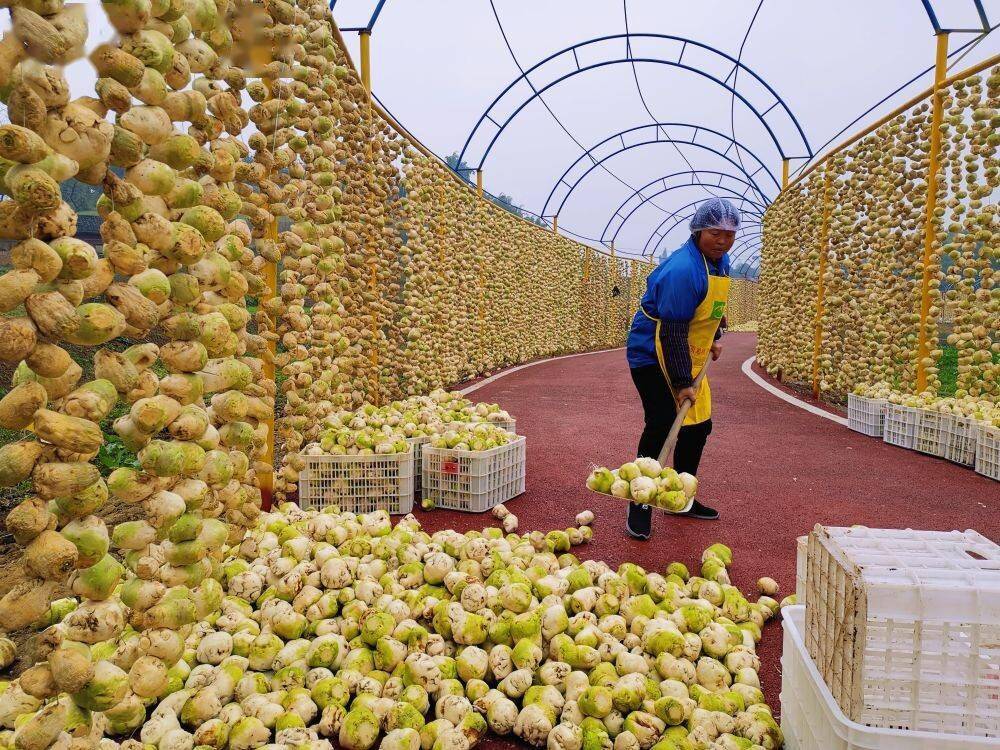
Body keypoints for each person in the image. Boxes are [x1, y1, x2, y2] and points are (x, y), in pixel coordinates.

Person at [623, 197, 738, 540]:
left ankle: (681, 497)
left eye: (729, 234)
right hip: (652, 353)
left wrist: (714, 335)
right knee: (662, 422)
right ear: (698, 231)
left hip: (687, 352)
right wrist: (681, 382)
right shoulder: (683, 270)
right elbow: (672, 331)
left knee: (698, 425)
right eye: (715, 233)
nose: (723, 241)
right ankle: (640, 501)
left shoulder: (719, 262)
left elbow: (707, 308)